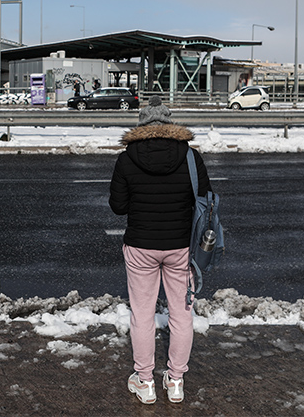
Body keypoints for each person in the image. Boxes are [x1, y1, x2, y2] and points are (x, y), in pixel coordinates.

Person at [109, 95, 211, 405]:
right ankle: (176, 380)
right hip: (181, 247)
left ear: (141, 124)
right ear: (169, 123)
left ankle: (145, 382)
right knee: (181, 315)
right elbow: (205, 200)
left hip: (140, 246)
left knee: (142, 315)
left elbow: (118, 207)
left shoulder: (127, 158)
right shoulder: (191, 157)